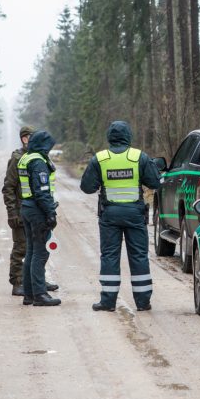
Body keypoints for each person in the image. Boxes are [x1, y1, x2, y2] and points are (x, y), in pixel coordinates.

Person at [80, 121, 161, 312]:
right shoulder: (139, 157)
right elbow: (155, 182)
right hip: (135, 214)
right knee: (139, 256)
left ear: (109, 137)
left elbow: (86, 187)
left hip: (109, 216)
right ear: (128, 137)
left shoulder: (100, 159)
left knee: (109, 257)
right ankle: (143, 302)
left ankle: (108, 302)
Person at [3, 125, 57, 297]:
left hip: (32, 208)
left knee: (37, 248)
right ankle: (18, 282)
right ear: (23, 139)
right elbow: (8, 188)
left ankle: (37, 280)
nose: (29, 140)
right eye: (27, 137)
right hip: (22, 210)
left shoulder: (37, 157)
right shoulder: (18, 158)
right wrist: (12, 213)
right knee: (22, 248)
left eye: (32, 137)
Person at [17, 130, 61, 306]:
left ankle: (28, 294)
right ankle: (40, 294)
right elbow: (41, 191)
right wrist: (50, 213)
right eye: (49, 146)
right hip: (37, 210)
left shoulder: (26, 158)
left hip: (27, 207)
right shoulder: (38, 162)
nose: (50, 149)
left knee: (31, 252)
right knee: (39, 253)